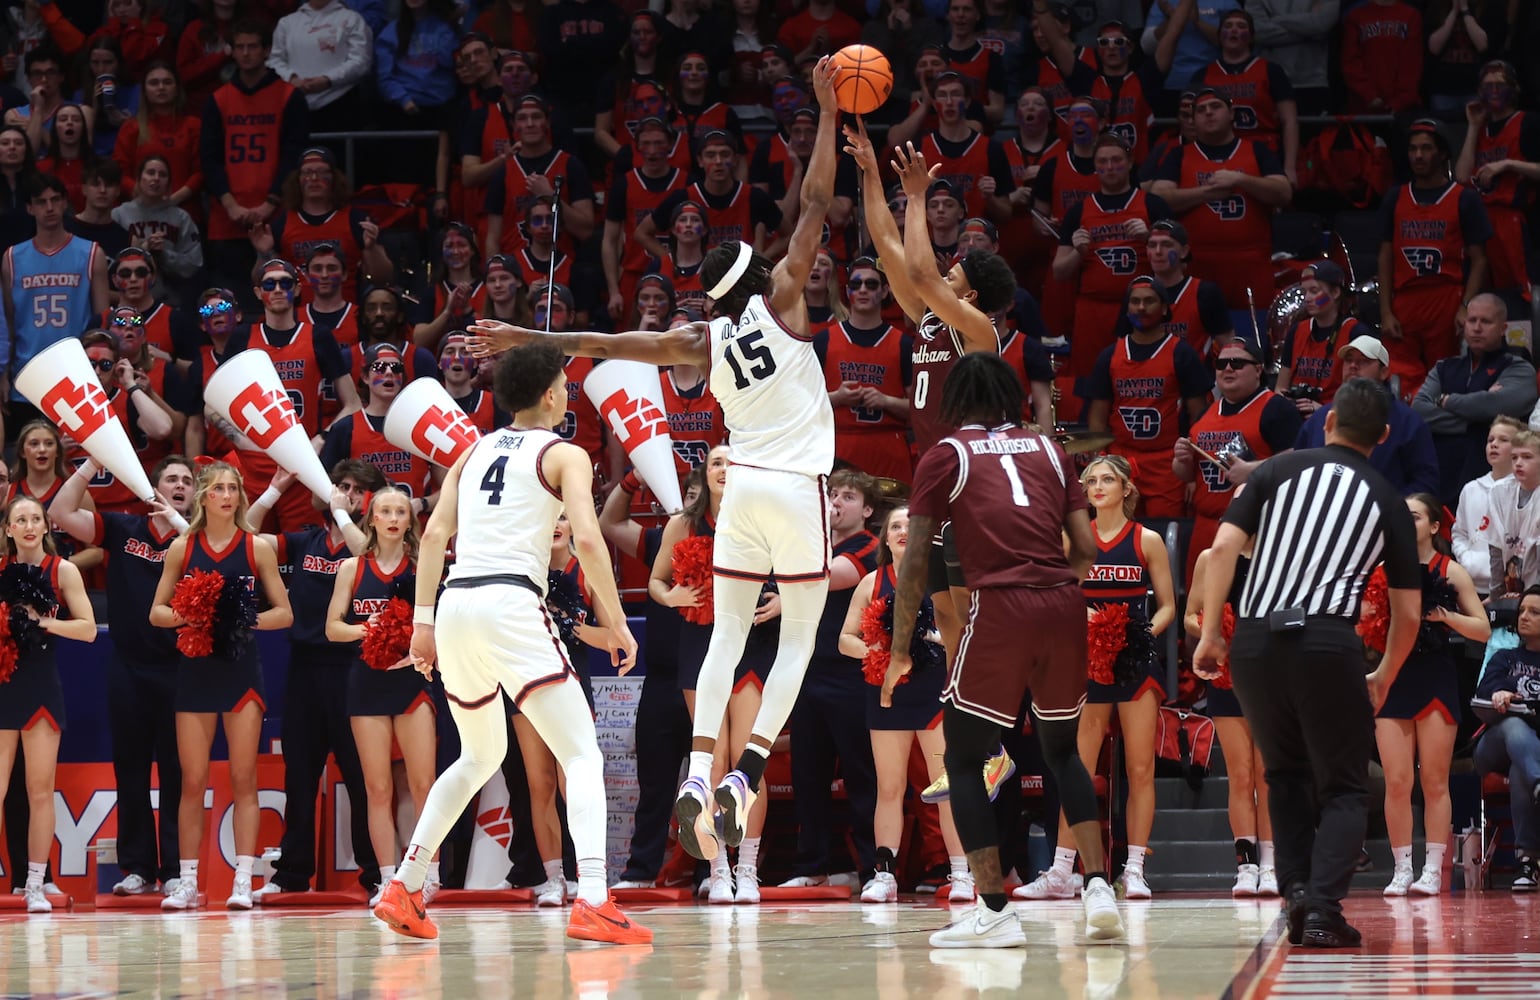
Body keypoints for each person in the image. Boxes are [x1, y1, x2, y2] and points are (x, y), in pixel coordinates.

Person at [466, 57, 841, 868]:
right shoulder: (784, 304)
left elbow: (600, 342)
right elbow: (814, 201)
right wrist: (831, 114)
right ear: (762, 277)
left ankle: (699, 774)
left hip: (736, 491)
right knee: (800, 643)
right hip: (796, 488)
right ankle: (745, 772)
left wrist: (525, 336)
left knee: (724, 639)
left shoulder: (695, 340)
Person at [373, 341, 649, 945]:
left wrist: (423, 623)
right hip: (510, 603)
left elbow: (435, 533)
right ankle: (596, 900)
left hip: (455, 605)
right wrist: (619, 619)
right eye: (566, 387)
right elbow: (589, 539)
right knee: (581, 755)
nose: (569, 395)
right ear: (551, 394)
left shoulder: (470, 452)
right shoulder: (566, 453)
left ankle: (406, 882)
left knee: (478, 756)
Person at [885, 351, 1123, 947]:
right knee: (1064, 750)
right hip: (1064, 602)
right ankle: (1099, 888)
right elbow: (1086, 548)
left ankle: (993, 911)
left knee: (964, 760)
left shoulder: (947, 454)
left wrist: (898, 645)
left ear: (956, 401)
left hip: (1001, 606)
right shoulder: (1048, 447)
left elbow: (915, 560)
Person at [1195, 377, 1423, 949]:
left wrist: (1209, 631)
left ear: (1328, 422)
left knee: (1285, 774)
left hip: (1253, 640)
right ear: (1385, 436)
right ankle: (1321, 909)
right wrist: (1385, 672)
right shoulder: (1388, 498)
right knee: (1344, 787)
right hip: (1326, 642)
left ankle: (1296, 894)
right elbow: (1409, 612)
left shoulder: (1276, 469)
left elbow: (1221, 548)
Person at [1027, 456, 1175, 902]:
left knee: (1140, 768)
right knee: (1077, 767)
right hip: (1086, 664)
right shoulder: (1073, 539)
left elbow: (1167, 605)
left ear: (1127, 487)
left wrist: (1138, 637)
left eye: (1106, 479)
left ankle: (1133, 870)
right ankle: (1062, 871)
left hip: (1134, 666)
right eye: (1090, 480)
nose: (1096, 486)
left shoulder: (1146, 540)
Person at [149, 461, 293, 911]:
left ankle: (243, 881)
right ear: (203, 497)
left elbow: (284, 613)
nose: (227, 496)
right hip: (195, 671)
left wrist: (241, 619)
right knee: (192, 781)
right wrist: (190, 616)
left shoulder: (256, 548)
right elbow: (156, 612)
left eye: (233, 488)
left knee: (243, 777)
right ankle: (187, 881)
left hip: (240, 672)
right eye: (219, 489)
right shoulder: (182, 548)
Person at [49, 454, 190, 897]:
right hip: (128, 666)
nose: (181, 485)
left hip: (179, 668)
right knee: (130, 769)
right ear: (154, 488)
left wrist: (184, 526)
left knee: (176, 772)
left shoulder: (199, 541)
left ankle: (174, 870)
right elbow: (60, 514)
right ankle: (138, 867)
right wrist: (93, 463)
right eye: (171, 479)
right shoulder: (125, 528)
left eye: (188, 480)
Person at [245, 460, 378, 900]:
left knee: (362, 779)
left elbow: (368, 559)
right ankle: (292, 874)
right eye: (341, 486)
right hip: (304, 669)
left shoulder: (369, 544)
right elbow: (243, 537)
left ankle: (375, 875)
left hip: (354, 669)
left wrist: (342, 513)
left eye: (357, 490)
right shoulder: (306, 541)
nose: (346, 494)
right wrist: (274, 490)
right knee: (299, 777)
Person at [838, 502, 966, 903]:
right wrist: (876, 651)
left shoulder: (941, 579)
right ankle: (884, 873)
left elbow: (960, 635)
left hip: (934, 692)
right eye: (895, 525)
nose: (902, 531)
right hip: (887, 693)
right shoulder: (871, 581)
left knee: (948, 787)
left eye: (912, 525)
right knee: (889, 787)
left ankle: (962, 874)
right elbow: (845, 639)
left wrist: (916, 644)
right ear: (885, 536)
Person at [325, 486, 437, 907]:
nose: (393, 518)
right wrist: (368, 630)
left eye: (401, 512)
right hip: (366, 682)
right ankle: (388, 879)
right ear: (371, 519)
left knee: (425, 784)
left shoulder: (423, 567)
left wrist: (412, 652)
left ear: (410, 521)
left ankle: (427, 874)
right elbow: (332, 627)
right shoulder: (352, 569)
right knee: (377, 787)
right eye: (385, 511)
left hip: (412, 682)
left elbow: (439, 626)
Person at [1374, 494, 1488, 897]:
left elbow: (1483, 629)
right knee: (1397, 780)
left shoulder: (1450, 571)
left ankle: (1433, 869)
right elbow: (1365, 625)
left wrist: (1445, 617)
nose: (1407, 522)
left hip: (1436, 677)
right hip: (1393, 678)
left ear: (1435, 526)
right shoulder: (1383, 571)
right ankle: (1401, 868)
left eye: (1415, 516)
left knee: (1435, 780)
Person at [781, 470, 879, 892]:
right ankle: (815, 865)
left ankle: (875, 869)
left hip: (850, 675)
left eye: (849, 497)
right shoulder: (815, 542)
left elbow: (826, 577)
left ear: (868, 509)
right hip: (807, 671)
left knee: (861, 776)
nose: (837, 502)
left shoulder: (868, 546)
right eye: (831, 494)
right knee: (808, 774)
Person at [0, 495, 96, 914]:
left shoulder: (65, 570)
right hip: (3, 683)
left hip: (40, 684)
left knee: (40, 790)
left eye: (35, 518)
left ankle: (35, 884)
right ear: (8, 529)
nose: (28, 526)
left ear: (45, 526)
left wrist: (42, 621)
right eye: (20, 519)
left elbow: (89, 629)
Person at [1186, 540, 1276, 897]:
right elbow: (1190, 615)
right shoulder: (1211, 557)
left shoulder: (1279, 555)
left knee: (1267, 775)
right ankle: (1246, 865)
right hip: (1227, 672)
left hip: (1269, 671)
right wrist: (1215, 633)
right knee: (1239, 774)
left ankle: (1270, 865)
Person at [1377, 118, 1491, 399]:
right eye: (1413, 149)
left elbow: (1480, 260)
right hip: (1404, 300)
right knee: (1399, 384)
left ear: (1442, 154)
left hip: (1446, 299)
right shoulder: (1395, 197)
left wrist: (1466, 306)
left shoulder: (1464, 199)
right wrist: (1385, 311)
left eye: (1426, 148)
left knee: (1444, 382)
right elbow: (1385, 256)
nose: (1418, 155)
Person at [1083, 276, 1213, 519]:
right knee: (1117, 536)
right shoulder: (1110, 356)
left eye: (1149, 301)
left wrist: (1192, 470)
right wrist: (1098, 465)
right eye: (1135, 301)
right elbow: (1098, 417)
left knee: (1162, 536)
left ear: (1164, 308)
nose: (1141, 307)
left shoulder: (1181, 353)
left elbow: (1199, 416)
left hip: (1166, 463)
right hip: (1120, 458)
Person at [1174, 338, 1302, 582]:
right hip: (1205, 526)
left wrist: (1254, 469)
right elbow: (1188, 475)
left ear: (1258, 369)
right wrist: (1181, 461)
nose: (1227, 369)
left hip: (1256, 530)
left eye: (1237, 363)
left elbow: (1300, 464)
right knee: (1198, 611)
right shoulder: (1206, 412)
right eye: (1221, 364)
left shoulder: (1277, 409)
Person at [1, 172, 109, 427]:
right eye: (41, 201)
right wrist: (2, 374)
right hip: (26, 375)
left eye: (55, 200)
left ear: (64, 203)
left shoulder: (92, 253)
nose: (49, 208)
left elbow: (102, 323)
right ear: (29, 208)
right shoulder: (12, 258)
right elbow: (7, 324)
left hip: (77, 376)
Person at [1412, 293, 1538, 510]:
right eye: (1472, 320)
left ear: (1503, 328)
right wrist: (1479, 418)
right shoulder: (1444, 367)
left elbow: (1502, 405)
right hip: (1440, 480)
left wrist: (1444, 400)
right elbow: (1420, 410)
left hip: (1497, 485)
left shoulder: (1518, 368)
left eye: (1486, 321)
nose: (1477, 328)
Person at [1293, 335, 1441, 498]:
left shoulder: (1409, 423)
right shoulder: (1319, 418)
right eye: (1349, 360)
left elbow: (1425, 483)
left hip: (1383, 517)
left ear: (1384, 371)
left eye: (1363, 361)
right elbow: (1298, 469)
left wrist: (1387, 508)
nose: (1353, 366)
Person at [1473, 585, 1540, 892]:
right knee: (1514, 725)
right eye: (1522, 610)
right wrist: (1499, 692)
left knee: (1520, 769)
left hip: (1528, 752)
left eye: (1534, 612)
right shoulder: (1504, 656)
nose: (1523, 617)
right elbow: (1483, 694)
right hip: (1494, 744)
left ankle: (1527, 862)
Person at [1274, 261, 1362, 413]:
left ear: (1335, 293)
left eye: (1314, 291)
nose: (1307, 298)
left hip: (1338, 417)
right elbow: (1281, 387)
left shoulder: (1355, 332)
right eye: (1305, 292)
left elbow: (1362, 395)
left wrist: (1323, 411)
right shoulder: (1296, 331)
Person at [1454, 414, 1522, 595]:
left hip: (1510, 588)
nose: (1494, 444)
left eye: (1503, 440)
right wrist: (1466, 559)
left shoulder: (1523, 490)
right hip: (1471, 585)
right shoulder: (1471, 489)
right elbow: (1459, 532)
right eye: (1490, 439)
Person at [1486, 430, 1540, 597]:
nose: (1518, 463)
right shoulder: (1498, 491)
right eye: (1514, 457)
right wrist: (1495, 595)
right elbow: (1495, 548)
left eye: (1527, 457)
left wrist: (1532, 597)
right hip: (1511, 586)